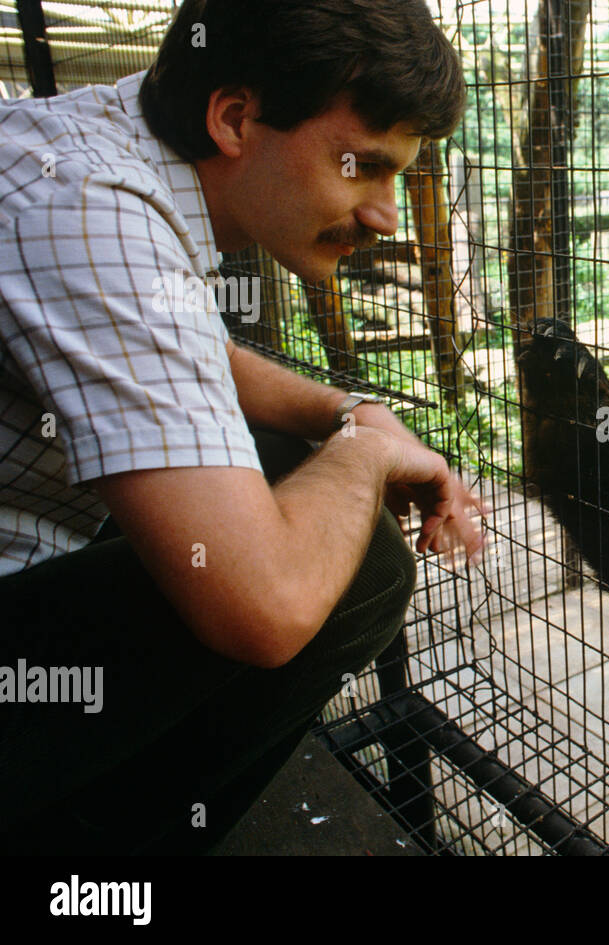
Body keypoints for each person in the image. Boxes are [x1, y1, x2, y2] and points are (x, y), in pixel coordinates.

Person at [0, 0, 484, 853]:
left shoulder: (108, 140)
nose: (386, 215)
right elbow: (267, 606)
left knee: (280, 462)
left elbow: (184, 351)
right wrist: (366, 453)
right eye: (363, 167)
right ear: (233, 118)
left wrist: (348, 411)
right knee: (361, 565)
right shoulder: (88, 210)